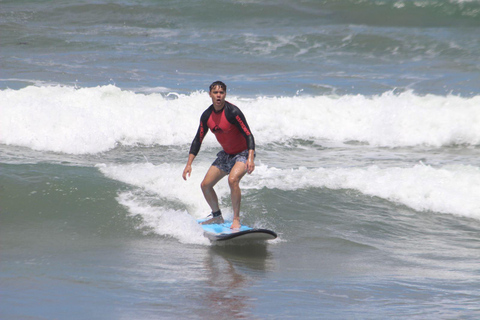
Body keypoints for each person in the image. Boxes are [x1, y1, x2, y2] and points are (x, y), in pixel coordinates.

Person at [182, 81, 255, 229]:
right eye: (215, 93)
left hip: (242, 153)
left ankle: (236, 219)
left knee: (233, 180)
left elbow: (248, 134)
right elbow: (198, 139)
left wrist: (250, 158)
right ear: (210, 95)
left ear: (225, 94)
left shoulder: (233, 112)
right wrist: (189, 164)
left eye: (221, 92)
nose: (218, 95)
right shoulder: (207, 115)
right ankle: (217, 217)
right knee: (205, 185)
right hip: (226, 155)